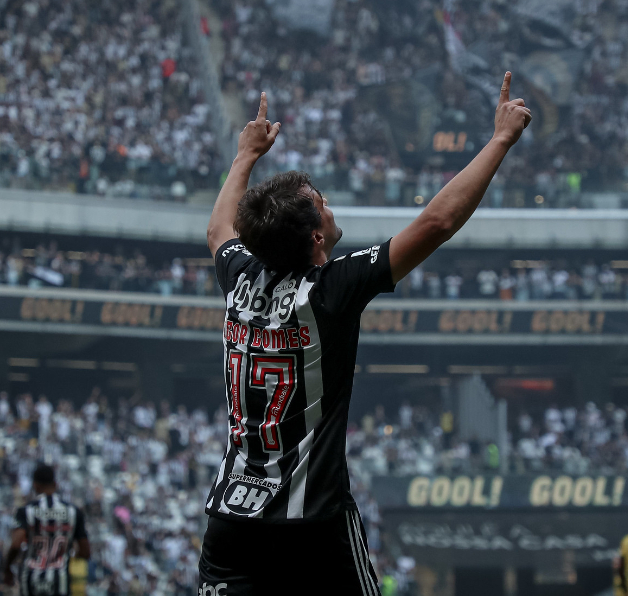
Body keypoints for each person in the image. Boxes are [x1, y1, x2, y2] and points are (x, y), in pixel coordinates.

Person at [198, 73, 530, 594]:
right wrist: (501, 140)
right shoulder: (331, 290)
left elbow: (220, 229)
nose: (330, 206)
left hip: (231, 520)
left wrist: (245, 155)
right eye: (323, 202)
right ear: (315, 236)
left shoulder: (239, 277)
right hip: (312, 525)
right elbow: (436, 224)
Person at [3, 464, 90, 596]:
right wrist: (68, 553)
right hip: (59, 580)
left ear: (35, 485)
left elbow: (16, 543)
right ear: (55, 484)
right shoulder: (73, 512)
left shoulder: (26, 511)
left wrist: (7, 567)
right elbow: (85, 552)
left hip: (30, 579)